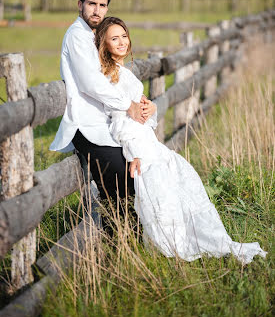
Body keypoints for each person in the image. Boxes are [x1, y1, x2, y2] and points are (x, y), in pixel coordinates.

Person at [94, 16, 267, 264]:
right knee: (161, 197)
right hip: (140, 147)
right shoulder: (112, 77)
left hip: (149, 143)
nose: (121, 42)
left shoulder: (124, 72)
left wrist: (150, 109)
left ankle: (180, 242)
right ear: (104, 45)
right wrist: (134, 155)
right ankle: (168, 247)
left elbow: (139, 115)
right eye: (114, 38)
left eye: (124, 36)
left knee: (181, 185)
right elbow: (120, 123)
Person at [50, 0, 156, 218]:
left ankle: (129, 241)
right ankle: (118, 243)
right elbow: (90, 83)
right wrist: (128, 105)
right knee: (121, 184)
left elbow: (113, 76)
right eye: (91, 4)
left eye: (102, 5)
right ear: (80, 4)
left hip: (106, 124)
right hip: (86, 124)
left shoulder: (95, 34)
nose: (97, 11)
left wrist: (141, 101)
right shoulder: (77, 35)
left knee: (131, 182)